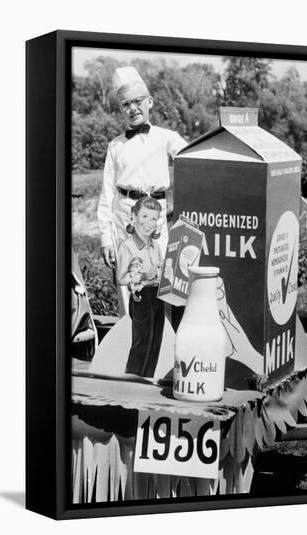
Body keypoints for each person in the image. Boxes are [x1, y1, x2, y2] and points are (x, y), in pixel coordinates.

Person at [97, 66, 187, 315]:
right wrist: (106, 237)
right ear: (121, 109)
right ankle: (130, 342)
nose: (132, 108)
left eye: (137, 101)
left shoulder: (165, 137)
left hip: (157, 218)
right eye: (126, 104)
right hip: (123, 217)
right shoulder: (115, 146)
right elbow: (106, 193)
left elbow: (192, 159)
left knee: (158, 279)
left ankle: (160, 343)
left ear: (150, 102)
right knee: (129, 283)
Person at [117, 196, 165, 377]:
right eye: (144, 216)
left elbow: (159, 269)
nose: (149, 223)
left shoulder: (155, 246)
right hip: (141, 297)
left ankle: (147, 378)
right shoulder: (127, 246)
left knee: (155, 342)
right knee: (141, 341)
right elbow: (122, 278)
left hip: (157, 296)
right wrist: (145, 275)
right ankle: (133, 378)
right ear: (133, 218)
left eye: (153, 218)